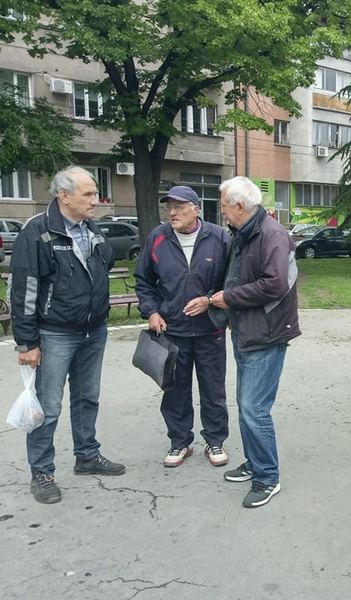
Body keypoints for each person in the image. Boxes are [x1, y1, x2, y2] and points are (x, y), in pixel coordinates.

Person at [10, 166, 125, 505]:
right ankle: (42, 471)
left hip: (93, 330)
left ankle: (87, 455)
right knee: (48, 406)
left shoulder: (91, 228)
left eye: (95, 194)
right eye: (88, 194)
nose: (96, 201)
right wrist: (27, 342)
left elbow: (99, 270)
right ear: (64, 195)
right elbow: (24, 289)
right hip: (54, 333)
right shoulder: (37, 232)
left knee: (87, 397)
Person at [210, 176, 300, 509]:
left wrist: (229, 297)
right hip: (247, 329)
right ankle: (254, 462)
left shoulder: (271, 234)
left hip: (267, 332)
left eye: (222, 205)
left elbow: (274, 284)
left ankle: (268, 477)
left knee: (254, 409)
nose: (221, 211)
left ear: (239, 206)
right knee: (246, 406)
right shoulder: (244, 234)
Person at [135, 186, 230, 468]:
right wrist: (151, 312)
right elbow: (144, 281)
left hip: (209, 330)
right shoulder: (158, 237)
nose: (173, 212)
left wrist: (210, 301)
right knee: (175, 390)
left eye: (179, 207)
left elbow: (232, 282)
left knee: (213, 388)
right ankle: (180, 442)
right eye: (169, 207)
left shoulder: (219, 237)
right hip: (172, 331)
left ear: (196, 209)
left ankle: (215, 440)